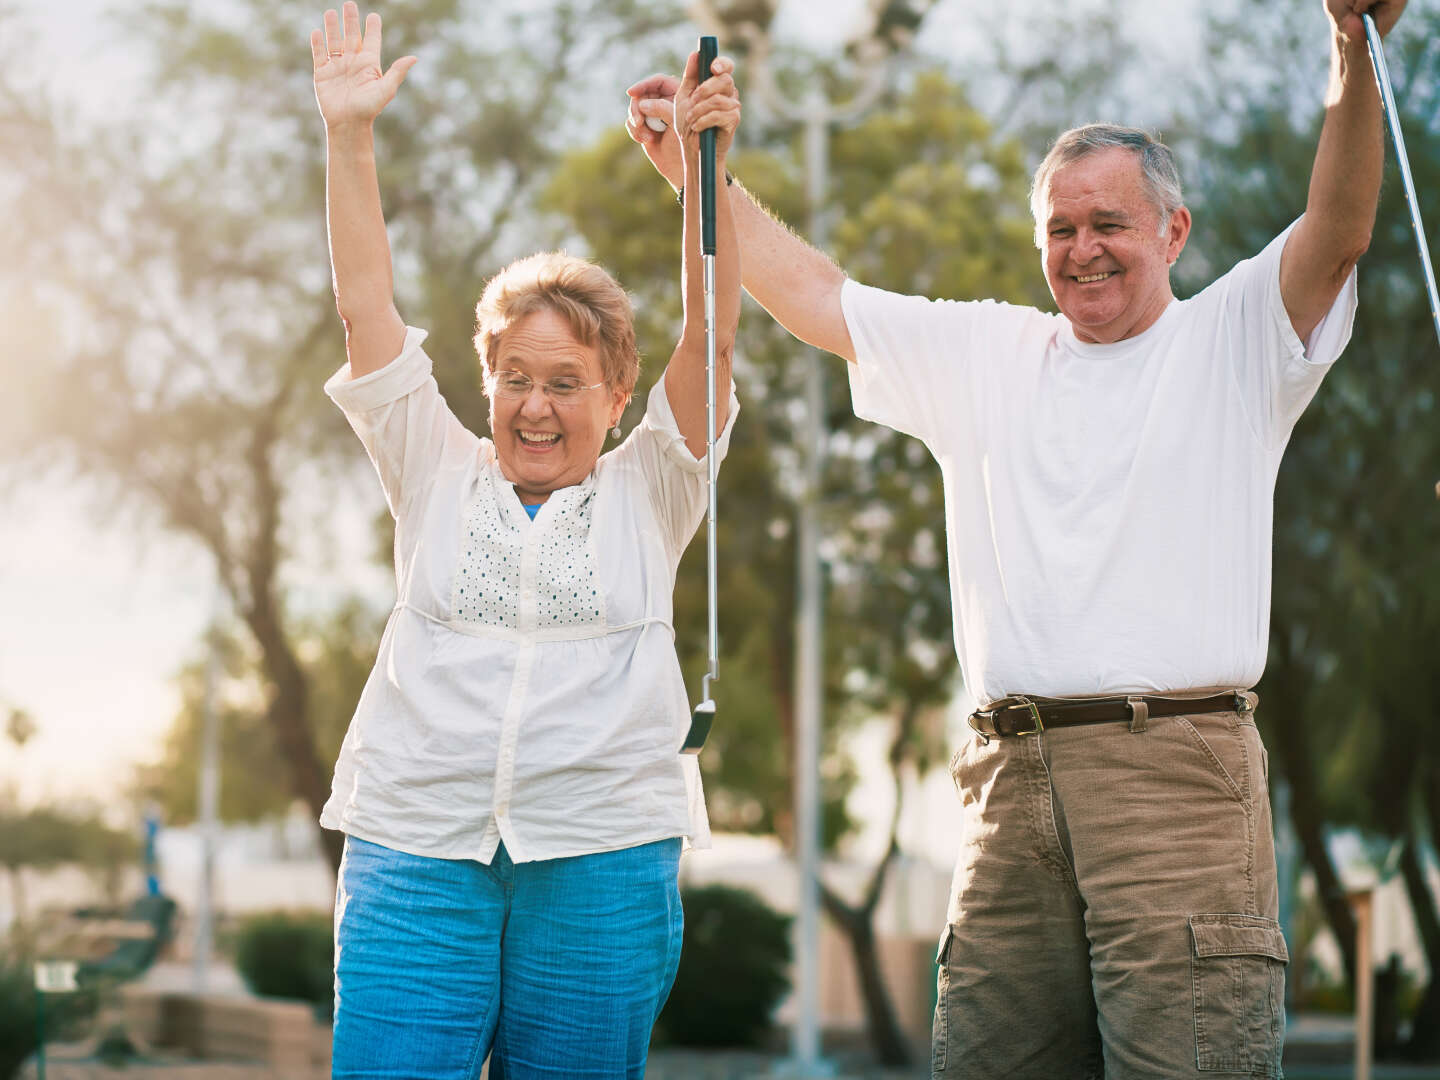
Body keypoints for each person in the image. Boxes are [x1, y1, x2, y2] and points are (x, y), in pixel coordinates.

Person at [626, 1, 1402, 1076]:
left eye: (1109, 225)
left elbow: (1339, 228)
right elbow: (811, 292)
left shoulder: (1236, 338)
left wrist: (1352, 49)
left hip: (1176, 781)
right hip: (1004, 785)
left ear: (1172, 233)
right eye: (1060, 229)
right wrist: (693, 175)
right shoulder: (987, 351)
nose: (1082, 250)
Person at [310, 3, 741, 1076]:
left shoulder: (657, 484)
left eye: (565, 383)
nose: (535, 408)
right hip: (419, 854)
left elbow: (715, 330)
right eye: (515, 379)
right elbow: (366, 304)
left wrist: (704, 171)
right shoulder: (434, 463)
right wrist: (349, 134)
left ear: (616, 393)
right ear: (485, 379)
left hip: (600, 861)